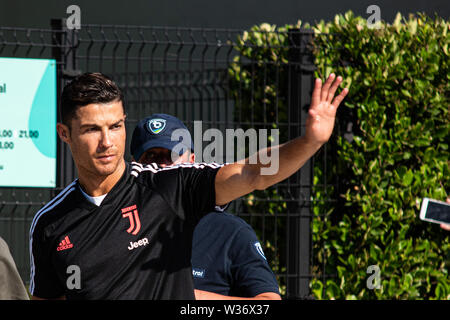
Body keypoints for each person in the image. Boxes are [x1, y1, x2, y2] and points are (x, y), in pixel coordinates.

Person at [29, 71, 348, 300]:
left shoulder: (166, 187)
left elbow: (253, 173)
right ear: (64, 133)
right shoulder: (49, 224)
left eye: (115, 126)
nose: (107, 142)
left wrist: (309, 142)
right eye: (91, 130)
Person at [130, 113, 281, 300]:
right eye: (150, 156)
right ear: (134, 165)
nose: (162, 164)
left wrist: (186, 294)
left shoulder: (230, 231)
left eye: (172, 155)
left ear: (192, 160)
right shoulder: (119, 226)